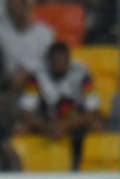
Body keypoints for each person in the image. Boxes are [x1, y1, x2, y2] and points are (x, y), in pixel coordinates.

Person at [16, 41, 103, 171]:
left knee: (97, 126)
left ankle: (92, 170)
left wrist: (65, 125)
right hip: (47, 121)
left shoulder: (82, 72)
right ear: (49, 61)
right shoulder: (37, 75)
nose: (60, 64)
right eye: (56, 61)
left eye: (63, 60)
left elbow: (94, 109)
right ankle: (27, 170)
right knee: (20, 128)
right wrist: (45, 127)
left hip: (75, 120)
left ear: (69, 60)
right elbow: (25, 110)